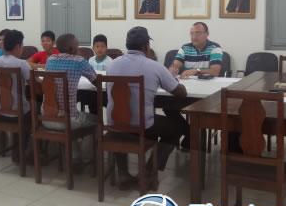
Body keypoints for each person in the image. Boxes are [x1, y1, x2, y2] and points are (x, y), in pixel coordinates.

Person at [107, 27, 187, 189]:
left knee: (120, 120)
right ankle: (149, 171)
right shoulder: (155, 66)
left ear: (127, 45)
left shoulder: (112, 64)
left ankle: (123, 173)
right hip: (142, 126)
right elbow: (181, 93)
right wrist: (172, 78)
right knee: (177, 127)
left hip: (113, 124)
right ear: (146, 47)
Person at [44, 33, 98, 166]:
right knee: (96, 120)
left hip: (47, 118)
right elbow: (96, 80)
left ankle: (75, 156)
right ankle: (86, 159)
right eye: (77, 44)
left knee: (72, 114)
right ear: (71, 48)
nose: (79, 46)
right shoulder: (79, 61)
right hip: (68, 121)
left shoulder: (50, 59)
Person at [167, 22, 223, 148]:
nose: (194, 36)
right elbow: (176, 64)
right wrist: (173, 69)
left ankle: (192, 137)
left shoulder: (214, 48)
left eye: (198, 33)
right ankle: (190, 134)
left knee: (198, 111)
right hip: (189, 89)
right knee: (168, 107)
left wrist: (196, 71)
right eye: (192, 33)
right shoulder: (185, 48)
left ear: (206, 34)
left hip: (207, 92)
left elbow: (215, 71)